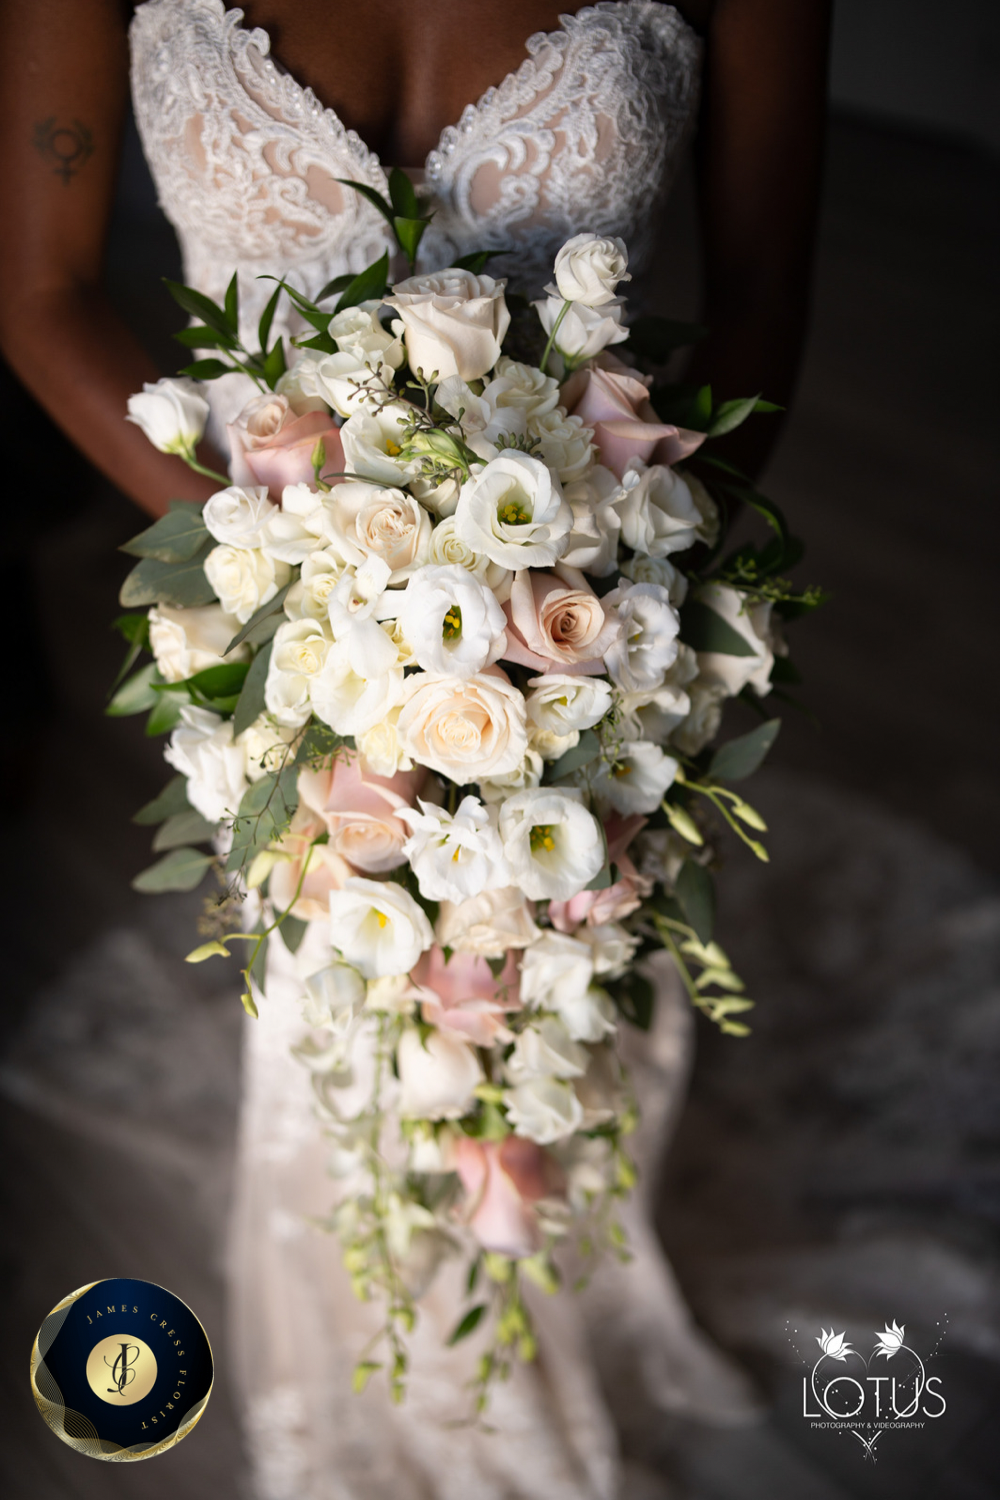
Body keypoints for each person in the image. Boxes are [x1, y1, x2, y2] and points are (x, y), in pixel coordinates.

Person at [0, 3, 832, 1496]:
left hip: (586, 615)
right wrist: (282, 566)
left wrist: (628, 587)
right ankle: (357, 1366)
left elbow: (766, 288)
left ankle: (537, 1336)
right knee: (337, 993)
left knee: (558, 968)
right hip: (281, 624)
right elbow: (39, 291)